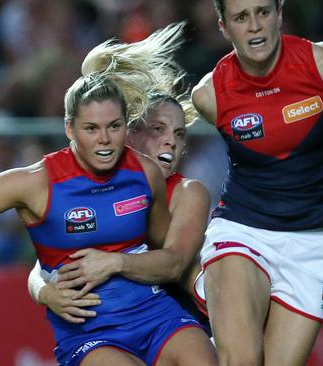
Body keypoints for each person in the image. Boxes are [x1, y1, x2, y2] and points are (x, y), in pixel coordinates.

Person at [0, 59, 215, 366]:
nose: (105, 139)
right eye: (91, 128)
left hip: (156, 315)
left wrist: (119, 264)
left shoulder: (145, 173)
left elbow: (167, 259)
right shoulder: (34, 184)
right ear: (69, 128)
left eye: (114, 126)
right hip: (90, 330)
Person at [190, 0, 323, 365]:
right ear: (223, 26)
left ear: (279, 14)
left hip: (314, 243)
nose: (254, 26)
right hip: (242, 229)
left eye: (263, 12)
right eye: (240, 17)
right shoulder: (209, 95)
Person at [27, 23, 213, 333]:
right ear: (128, 133)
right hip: (121, 324)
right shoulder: (101, 186)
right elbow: (48, 259)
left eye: (179, 134)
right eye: (158, 130)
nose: (171, 142)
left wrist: (113, 263)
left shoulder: (188, 192)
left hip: (189, 322)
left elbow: (174, 264)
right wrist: (44, 290)